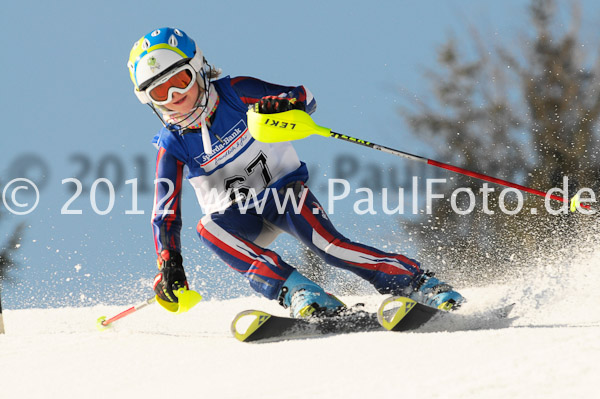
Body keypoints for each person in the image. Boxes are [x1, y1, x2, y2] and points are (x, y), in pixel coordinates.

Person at [127, 27, 464, 318]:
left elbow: (306, 97)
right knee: (207, 227)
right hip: (239, 218)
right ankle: (298, 291)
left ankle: (417, 282)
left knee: (330, 247)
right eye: (161, 92)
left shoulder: (234, 93)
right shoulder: (172, 144)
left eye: (180, 80)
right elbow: (165, 212)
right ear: (149, 101)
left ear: (198, 69)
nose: (176, 97)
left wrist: (284, 105)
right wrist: (169, 261)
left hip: (284, 194)